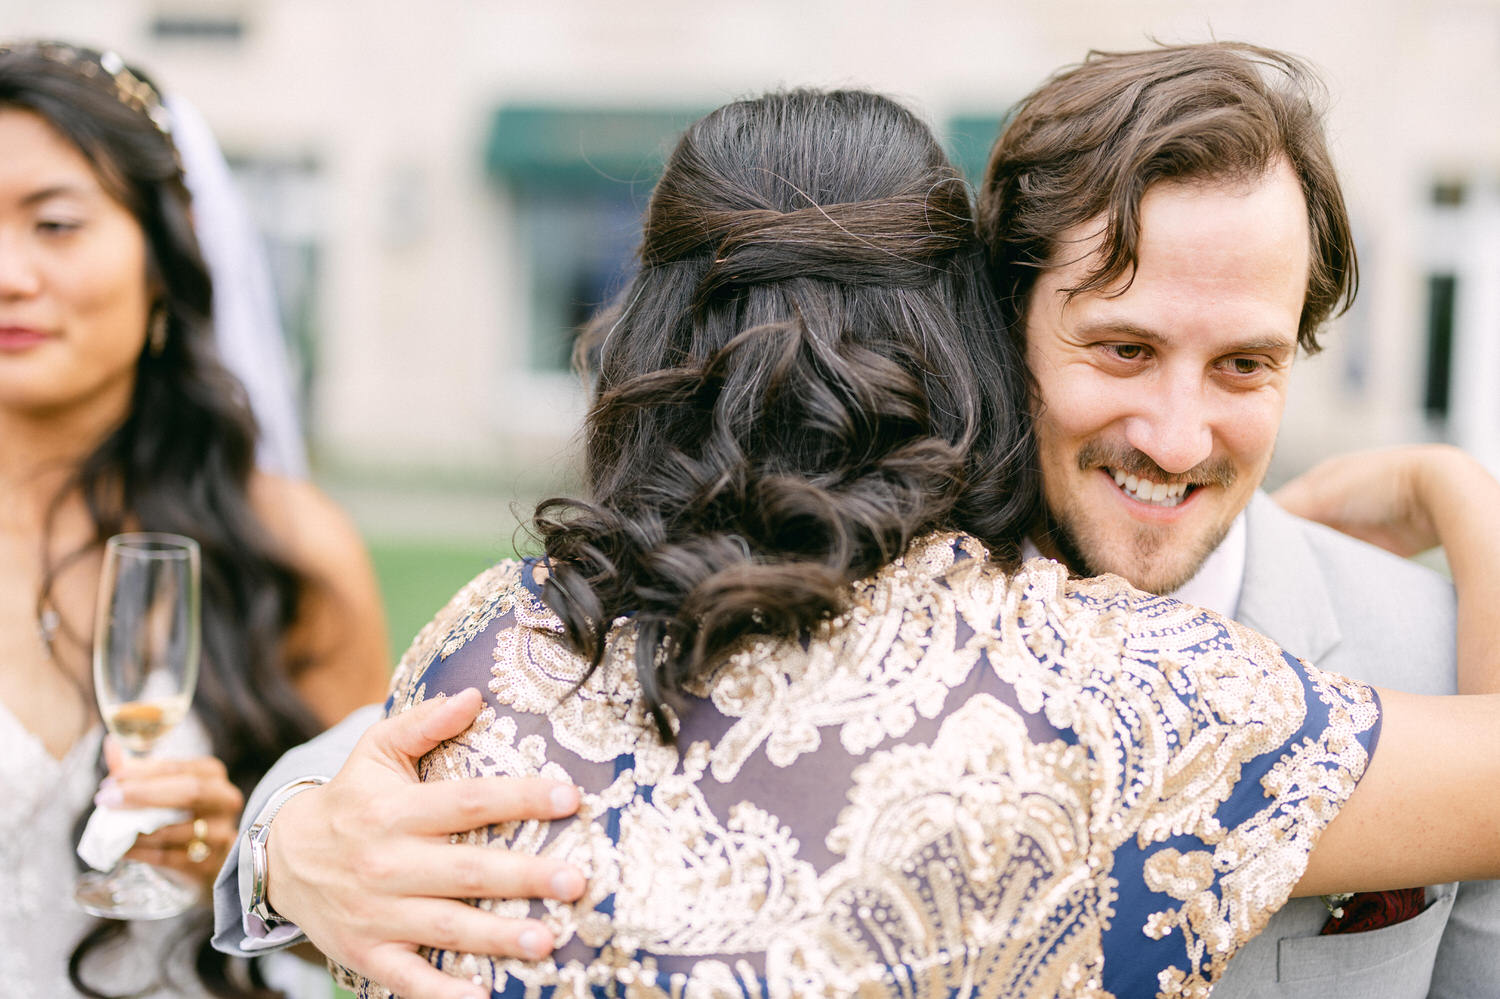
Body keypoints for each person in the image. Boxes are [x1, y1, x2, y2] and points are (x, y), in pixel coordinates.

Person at [211, 44, 1495, 997]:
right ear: (991, 332)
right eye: (1120, 347)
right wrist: (292, 846)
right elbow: (338, 769)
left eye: (1245, 367)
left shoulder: (1424, 634)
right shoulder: (1092, 677)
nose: (1175, 433)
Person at [0, 40, 388, 997]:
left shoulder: (287, 550)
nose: (6, 272)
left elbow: (375, 933)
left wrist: (258, 867)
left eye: (54, 224)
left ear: (165, 264)